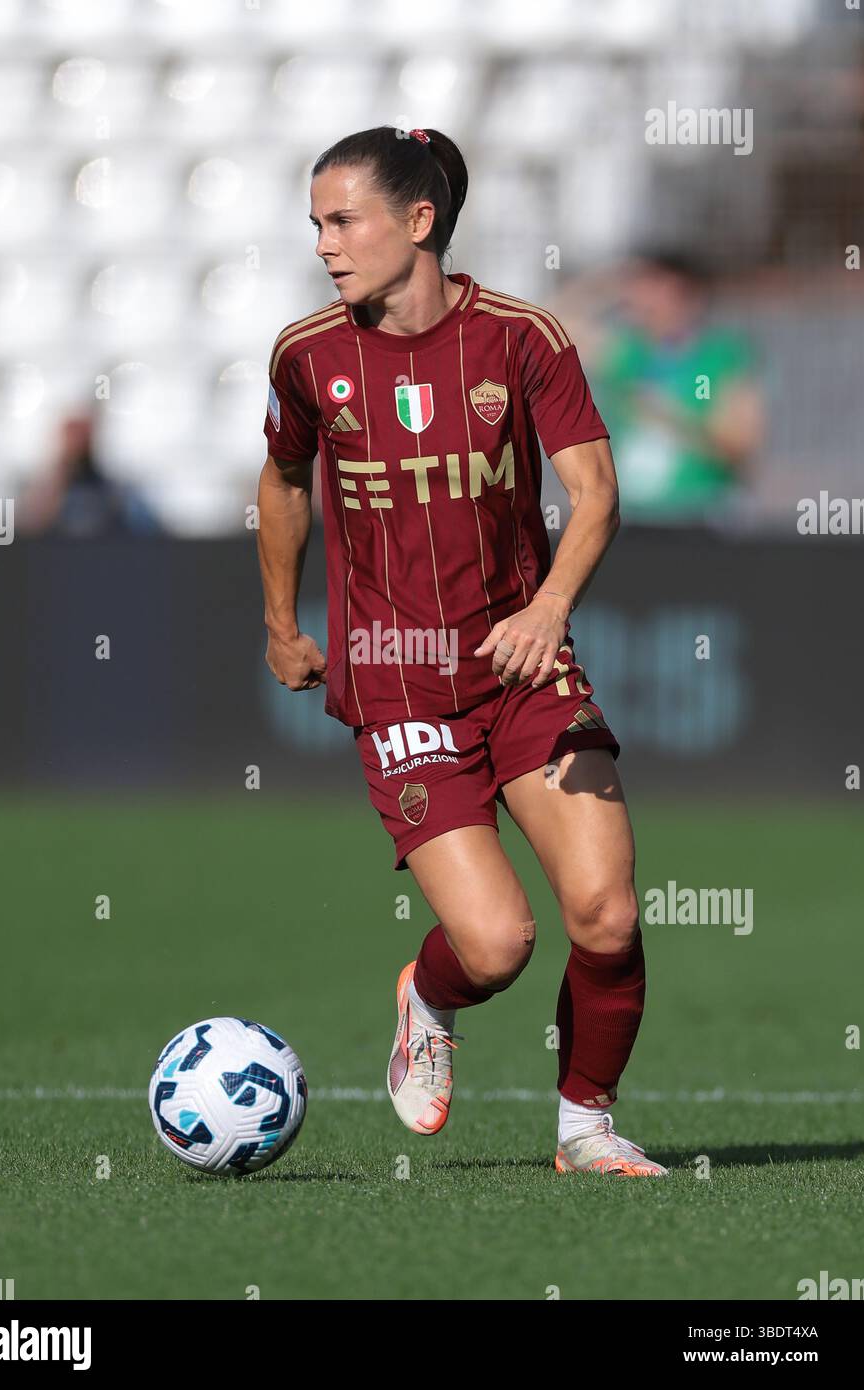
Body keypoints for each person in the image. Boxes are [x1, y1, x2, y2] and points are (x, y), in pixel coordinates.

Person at [257, 125, 667, 1177]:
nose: (324, 244)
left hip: (523, 666)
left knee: (607, 913)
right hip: (397, 687)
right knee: (497, 945)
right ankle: (431, 995)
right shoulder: (308, 356)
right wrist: (279, 619)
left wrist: (550, 607)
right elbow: (283, 480)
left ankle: (586, 1128)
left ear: (419, 221)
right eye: (316, 222)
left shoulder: (522, 337)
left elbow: (595, 492)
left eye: (342, 219)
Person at [555, 251, 764, 525]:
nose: (646, 300)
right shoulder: (629, 353)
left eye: (660, 290)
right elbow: (550, 323)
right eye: (640, 288)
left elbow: (740, 447)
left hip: (699, 515)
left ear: (689, 296)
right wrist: (606, 284)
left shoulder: (723, 356)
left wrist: (669, 416)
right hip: (629, 518)